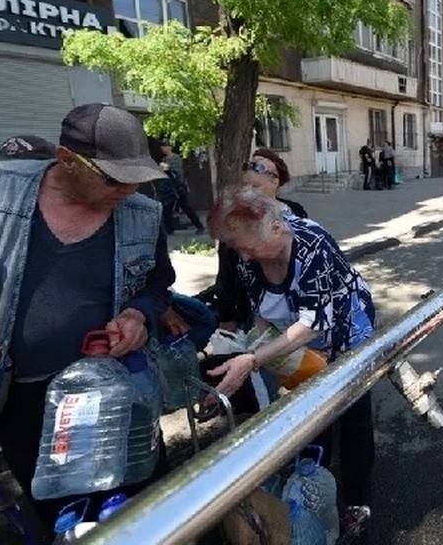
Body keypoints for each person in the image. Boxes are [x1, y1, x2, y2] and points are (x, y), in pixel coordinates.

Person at [0, 103, 175, 529]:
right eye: (113, 178)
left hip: (114, 393)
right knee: (61, 516)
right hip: (18, 398)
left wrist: (138, 315)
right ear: (67, 159)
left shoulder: (143, 215)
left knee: (143, 507)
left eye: (136, 179)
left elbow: (157, 284)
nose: (128, 192)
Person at [205, 185, 375, 534]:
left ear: (276, 228)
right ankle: (312, 490)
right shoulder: (247, 255)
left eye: (248, 248)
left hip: (344, 331)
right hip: (295, 338)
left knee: (353, 411)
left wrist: (253, 359)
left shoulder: (314, 245)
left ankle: (358, 500)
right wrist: (258, 343)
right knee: (312, 412)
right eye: (239, 249)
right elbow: (262, 309)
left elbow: (312, 326)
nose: (245, 258)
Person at [209, 149, 308, 331]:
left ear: (275, 182)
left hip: (298, 314)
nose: (249, 194)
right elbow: (226, 276)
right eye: (246, 187)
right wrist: (226, 321)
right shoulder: (235, 222)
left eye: (255, 187)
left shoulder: (296, 214)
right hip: (254, 315)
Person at [160, 138, 205, 235]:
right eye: (162, 147)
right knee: (167, 209)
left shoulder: (175, 158)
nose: (163, 149)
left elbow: (177, 172)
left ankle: (199, 226)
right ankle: (169, 230)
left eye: (165, 146)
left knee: (186, 207)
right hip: (169, 188)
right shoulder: (164, 159)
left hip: (178, 187)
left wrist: (167, 169)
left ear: (169, 147)